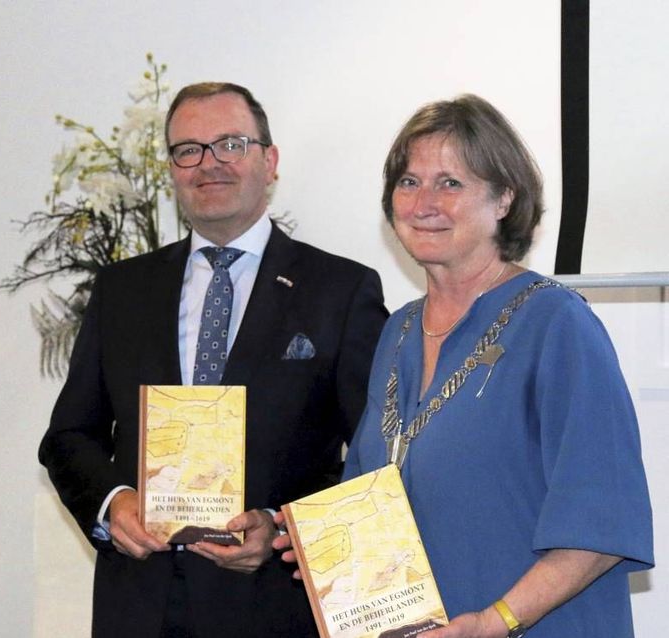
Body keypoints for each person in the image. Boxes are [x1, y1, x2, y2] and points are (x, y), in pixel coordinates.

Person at [276, 94, 654, 637]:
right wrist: (308, 538)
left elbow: (602, 523)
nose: (424, 202)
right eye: (408, 182)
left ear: (504, 198)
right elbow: (368, 495)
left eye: (450, 183)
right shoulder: (399, 331)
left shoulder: (557, 325)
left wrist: (493, 623)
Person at [39, 82, 388, 638]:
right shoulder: (122, 289)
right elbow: (68, 436)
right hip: (139, 604)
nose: (209, 164)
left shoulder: (339, 291)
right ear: (172, 168)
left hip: (274, 607)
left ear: (269, 161)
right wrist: (112, 502)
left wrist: (282, 527)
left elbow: (373, 458)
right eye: (189, 150)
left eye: (230, 144)